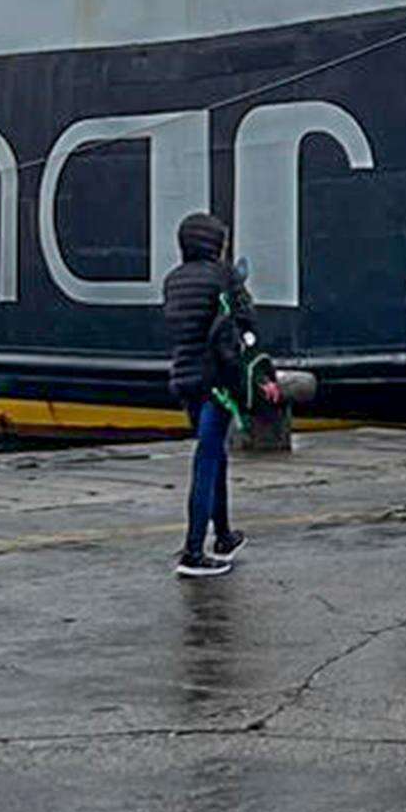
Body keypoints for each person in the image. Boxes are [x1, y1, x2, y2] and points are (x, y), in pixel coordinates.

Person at [160, 213, 250, 578]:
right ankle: (194, 550)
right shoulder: (223, 276)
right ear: (213, 243)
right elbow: (244, 318)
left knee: (216, 454)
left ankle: (225, 535)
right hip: (218, 380)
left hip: (185, 377)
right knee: (207, 459)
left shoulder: (173, 280)